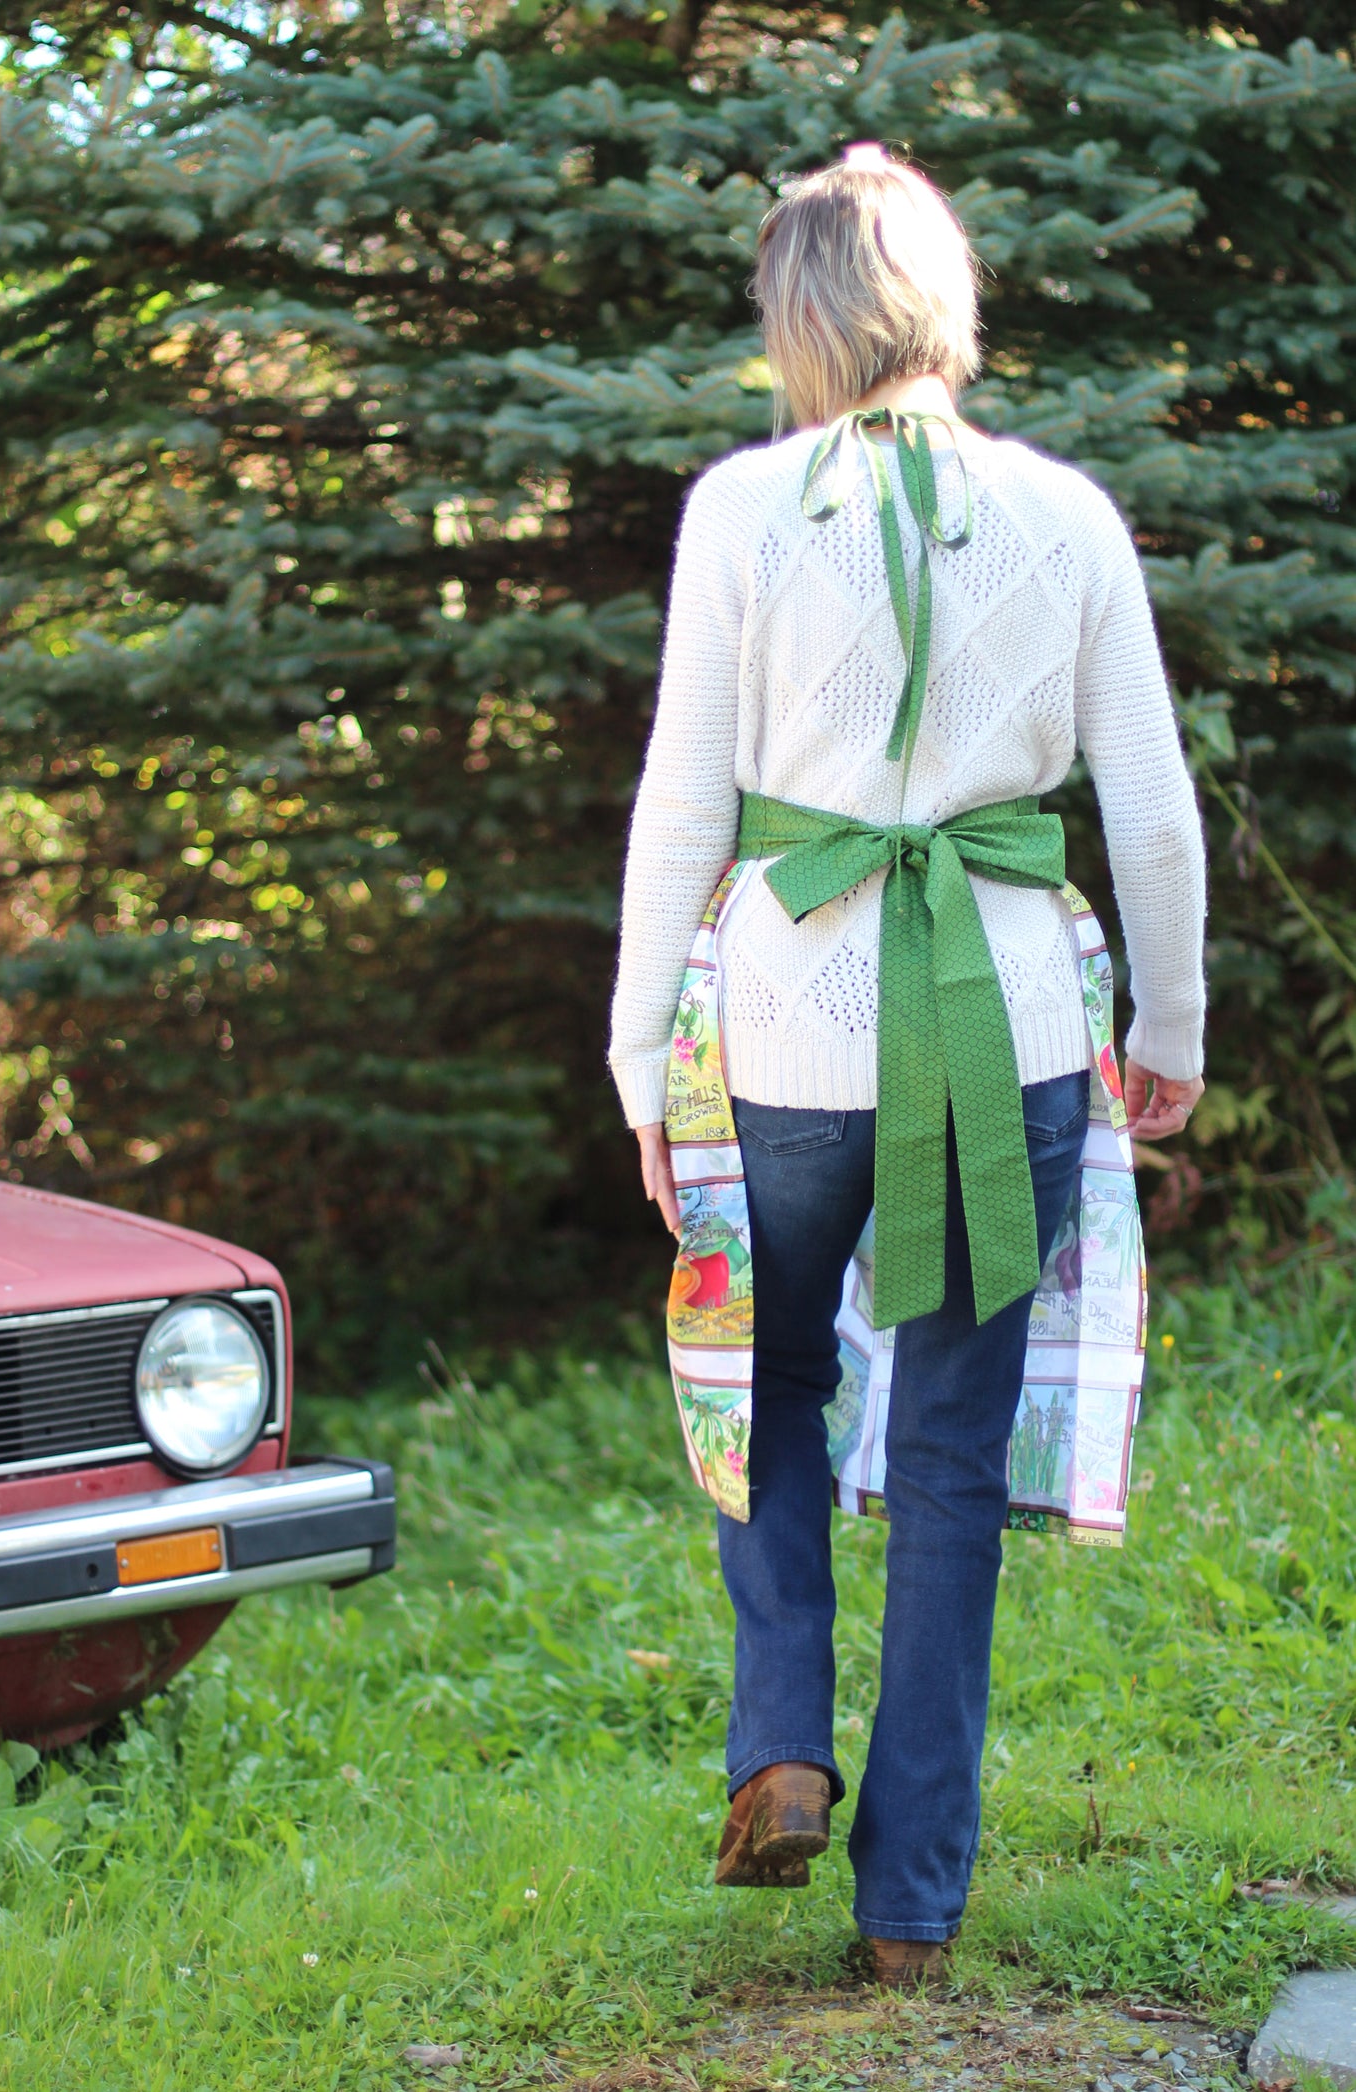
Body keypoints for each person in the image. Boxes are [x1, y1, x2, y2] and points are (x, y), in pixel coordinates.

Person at [606, 145, 1206, 1987]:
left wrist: (643, 1059)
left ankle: (780, 1742)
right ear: (943, 302)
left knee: (763, 1387)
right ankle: (910, 1915)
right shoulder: (1069, 512)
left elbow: (682, 810)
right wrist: (1164, 1031)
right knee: (948, 1461)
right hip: (1014, 1034)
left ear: (796, 321)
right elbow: (1153, 813)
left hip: (785, 1038)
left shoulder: (736, 508)